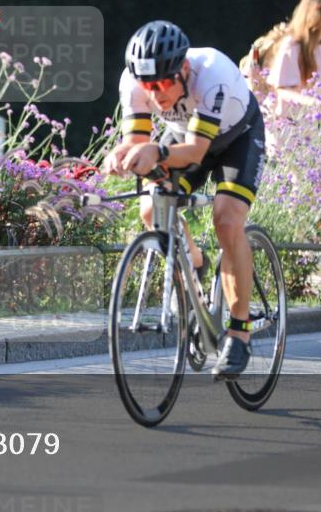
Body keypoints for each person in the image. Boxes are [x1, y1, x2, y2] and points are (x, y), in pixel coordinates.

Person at [103, 21, 265, 380]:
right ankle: (195, 260)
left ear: (184, 70)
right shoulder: (133, 84)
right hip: (181, 136)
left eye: (163, 84)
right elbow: (137, 139)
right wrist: (122, 155)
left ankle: (238, 332)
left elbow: (196, 150)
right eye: (149, 86)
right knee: (151, 210)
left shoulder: (213, 74)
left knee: (226, 220)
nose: (156, 95)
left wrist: (155, 152)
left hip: (236, 139)